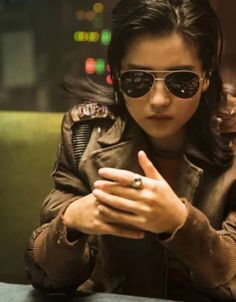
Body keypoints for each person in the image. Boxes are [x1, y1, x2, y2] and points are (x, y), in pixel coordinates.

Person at [25, 0, 236, 301]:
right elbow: (43, 276)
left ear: (206, 77)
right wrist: (70, 223)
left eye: (181, 81)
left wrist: (180, 223)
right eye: (138, 80)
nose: (159, 100)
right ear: (118, 76)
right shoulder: (88, 132)